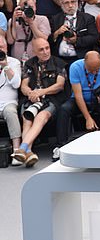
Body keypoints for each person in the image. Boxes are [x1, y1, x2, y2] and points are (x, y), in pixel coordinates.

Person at [12, 38, 67, 167]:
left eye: (47, 48)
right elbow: (24, 86)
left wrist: (41, 92)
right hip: (32, 99)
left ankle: (22, 148)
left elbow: (59, 86)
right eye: (41, 49)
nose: (45, 52)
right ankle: (28, 153)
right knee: (27, 118)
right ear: (34, 51)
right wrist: (31, 93)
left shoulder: (59, 63)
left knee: (41, 117)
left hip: (51, 99)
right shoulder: (29, 64)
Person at [57, 51, 100, 150]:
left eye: (96, 70)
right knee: (64, 109)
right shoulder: (75, 67)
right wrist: (87, 118)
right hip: (81, 98)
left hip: (99, 99)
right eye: (90, 70)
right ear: (84, 62)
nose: (94, 73)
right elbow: (78, 95)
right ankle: (61, 146)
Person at [50, 0, 99, 67]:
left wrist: (76, 40)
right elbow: (48, 40)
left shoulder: (87, 18)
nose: (70, 5)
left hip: (80, 59)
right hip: (59, 60)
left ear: (77, 3)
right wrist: (57, 33)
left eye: (73, 2)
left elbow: (94, 38)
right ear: (61, 4)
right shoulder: (55, 19)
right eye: (66, 3)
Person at [0, 36, 23, 163]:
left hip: (9, 102)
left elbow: (16, 84)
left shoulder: (14, 62)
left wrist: (6, 67)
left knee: (10, 112)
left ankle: (16, 151)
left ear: (6, 47)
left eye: (1, 47)